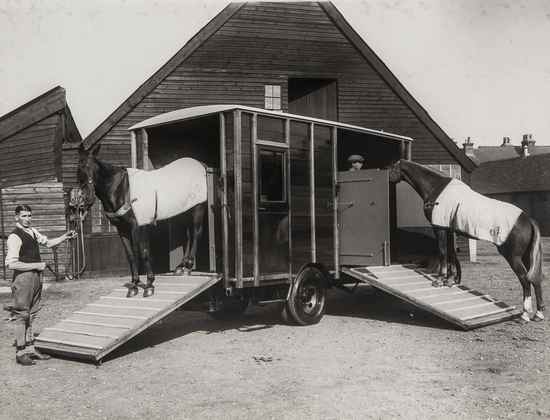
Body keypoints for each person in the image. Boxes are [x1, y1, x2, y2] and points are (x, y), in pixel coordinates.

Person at [5, 204, 76, 366]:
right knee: (21, 314)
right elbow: (11, 264)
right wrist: (36, 266)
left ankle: (30, 349)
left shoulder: (32, 231)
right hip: (23, 278)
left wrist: (65, 236)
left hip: (36, 277)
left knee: (33, 313)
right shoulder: (14, 236)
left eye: (29, 215)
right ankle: (20, 352)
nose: (27, 219)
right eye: (23, 216)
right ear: (16, 217)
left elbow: (48, 243)